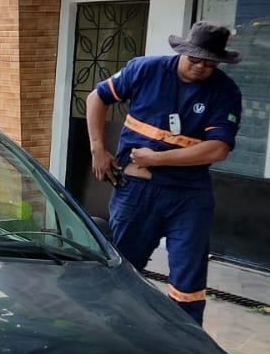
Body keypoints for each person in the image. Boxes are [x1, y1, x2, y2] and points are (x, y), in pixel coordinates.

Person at [85, 21, 244, 326]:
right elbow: (97, 98)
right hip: (137, 193)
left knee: (189, 278)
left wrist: (157, 159)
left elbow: (217, 149)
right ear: (183, 51)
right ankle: (108, 330)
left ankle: (185, 340)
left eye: (209, 63)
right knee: (122, 268)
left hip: (189, 196)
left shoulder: (224, 92)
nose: (200, 67)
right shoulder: (146, 70)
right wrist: (97, 149)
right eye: (195, 58)